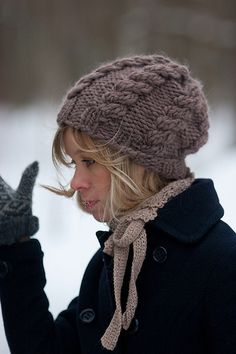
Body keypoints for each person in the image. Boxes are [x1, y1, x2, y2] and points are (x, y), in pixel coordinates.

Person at [0, 54, 236, 354]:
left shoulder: (221, 262)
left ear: (140, 162)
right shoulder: (113, 260)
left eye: (89, 162)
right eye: (74, 163)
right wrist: (15, 248)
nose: (75, 183)